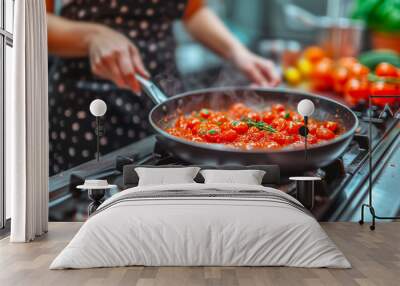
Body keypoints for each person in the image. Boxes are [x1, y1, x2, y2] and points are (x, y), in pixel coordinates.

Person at [47, 0, 280, 175]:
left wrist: (237, 53)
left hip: (163, 100)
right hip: (86, 107)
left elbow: (192, 10)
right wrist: (92, 36)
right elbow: (30, 21)